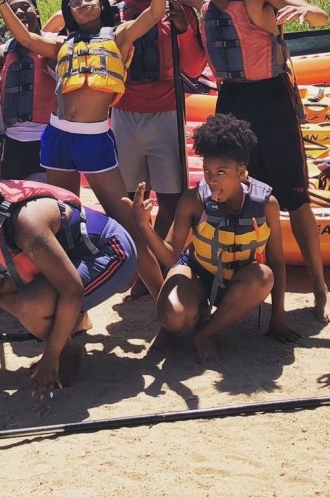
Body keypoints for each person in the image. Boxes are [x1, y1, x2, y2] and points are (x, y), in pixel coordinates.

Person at [177, 0, 330, 322]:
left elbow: (317, 13)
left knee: (295, 195)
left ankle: (319, 288)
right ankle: (236, 281)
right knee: (235, 188)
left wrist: (304, 13)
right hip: (231, 99)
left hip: (271, 97)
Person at [0, 0, 166, 299]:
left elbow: (155, 12)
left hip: (94, 139)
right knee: (64, 219)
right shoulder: (61, 44)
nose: (84, 4)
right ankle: (73, 301)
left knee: (127, 220)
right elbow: (24, 38)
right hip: (58, 137)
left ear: (101, 3)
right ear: (67, 11)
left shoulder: (118, 36)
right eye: (75, 1)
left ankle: (162, 298)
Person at [0, 166, 137, 397]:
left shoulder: (27, 224)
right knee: (1, 293)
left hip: (112, 252)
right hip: (72, 258)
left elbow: (72, 291)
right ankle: (70, 332)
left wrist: (50, 357)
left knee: (31, 306)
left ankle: (67, 352)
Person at [127, 113, 301, 363]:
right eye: (207, 171)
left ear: (241, 172)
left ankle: (206, 333)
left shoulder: (266, 204)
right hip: (197, 272)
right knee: (173, 318)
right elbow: (170, 256)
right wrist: (144, 226)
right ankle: (192, 313)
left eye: (221, 172)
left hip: (237, 281)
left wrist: (279, 318)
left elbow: (276, 259)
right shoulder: (193, 200)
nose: (211, 180)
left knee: (264, 275)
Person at [111, 0, 207, 242]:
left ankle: (158, 253)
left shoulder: (179, 11)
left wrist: (182, 28)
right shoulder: (113, 13)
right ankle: (137, 253)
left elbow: (194, 68)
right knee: (128, 195)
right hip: (124, 114)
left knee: (171, 199)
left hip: (167, 113)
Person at [0, 0, 57, 182]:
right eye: (12, 10)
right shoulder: (2, 52)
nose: (19, 13)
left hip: (49, 138)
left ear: (36, 11)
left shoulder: (54, 44)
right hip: (13, 143)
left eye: (24, 7)